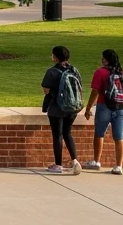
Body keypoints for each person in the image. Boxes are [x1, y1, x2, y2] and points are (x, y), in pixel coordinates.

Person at [84, 48, 123, 175]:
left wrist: (88, 108)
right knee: (119, 137)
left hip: (104, 106)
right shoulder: (122, 72)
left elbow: (95, 91)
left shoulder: (100, 72)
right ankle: (118, 166)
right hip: (122, 108)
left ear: (105, 60)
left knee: (99, 134)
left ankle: (96, 161)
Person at [41, 45, 83, 175]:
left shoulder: (52, 72)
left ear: (55, 57)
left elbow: (46, 89)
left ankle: (58, 164)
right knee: (67, 133)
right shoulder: (74, 70)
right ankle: (75, 161)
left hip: (57, 108)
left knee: (57, 135)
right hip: (72, 108)